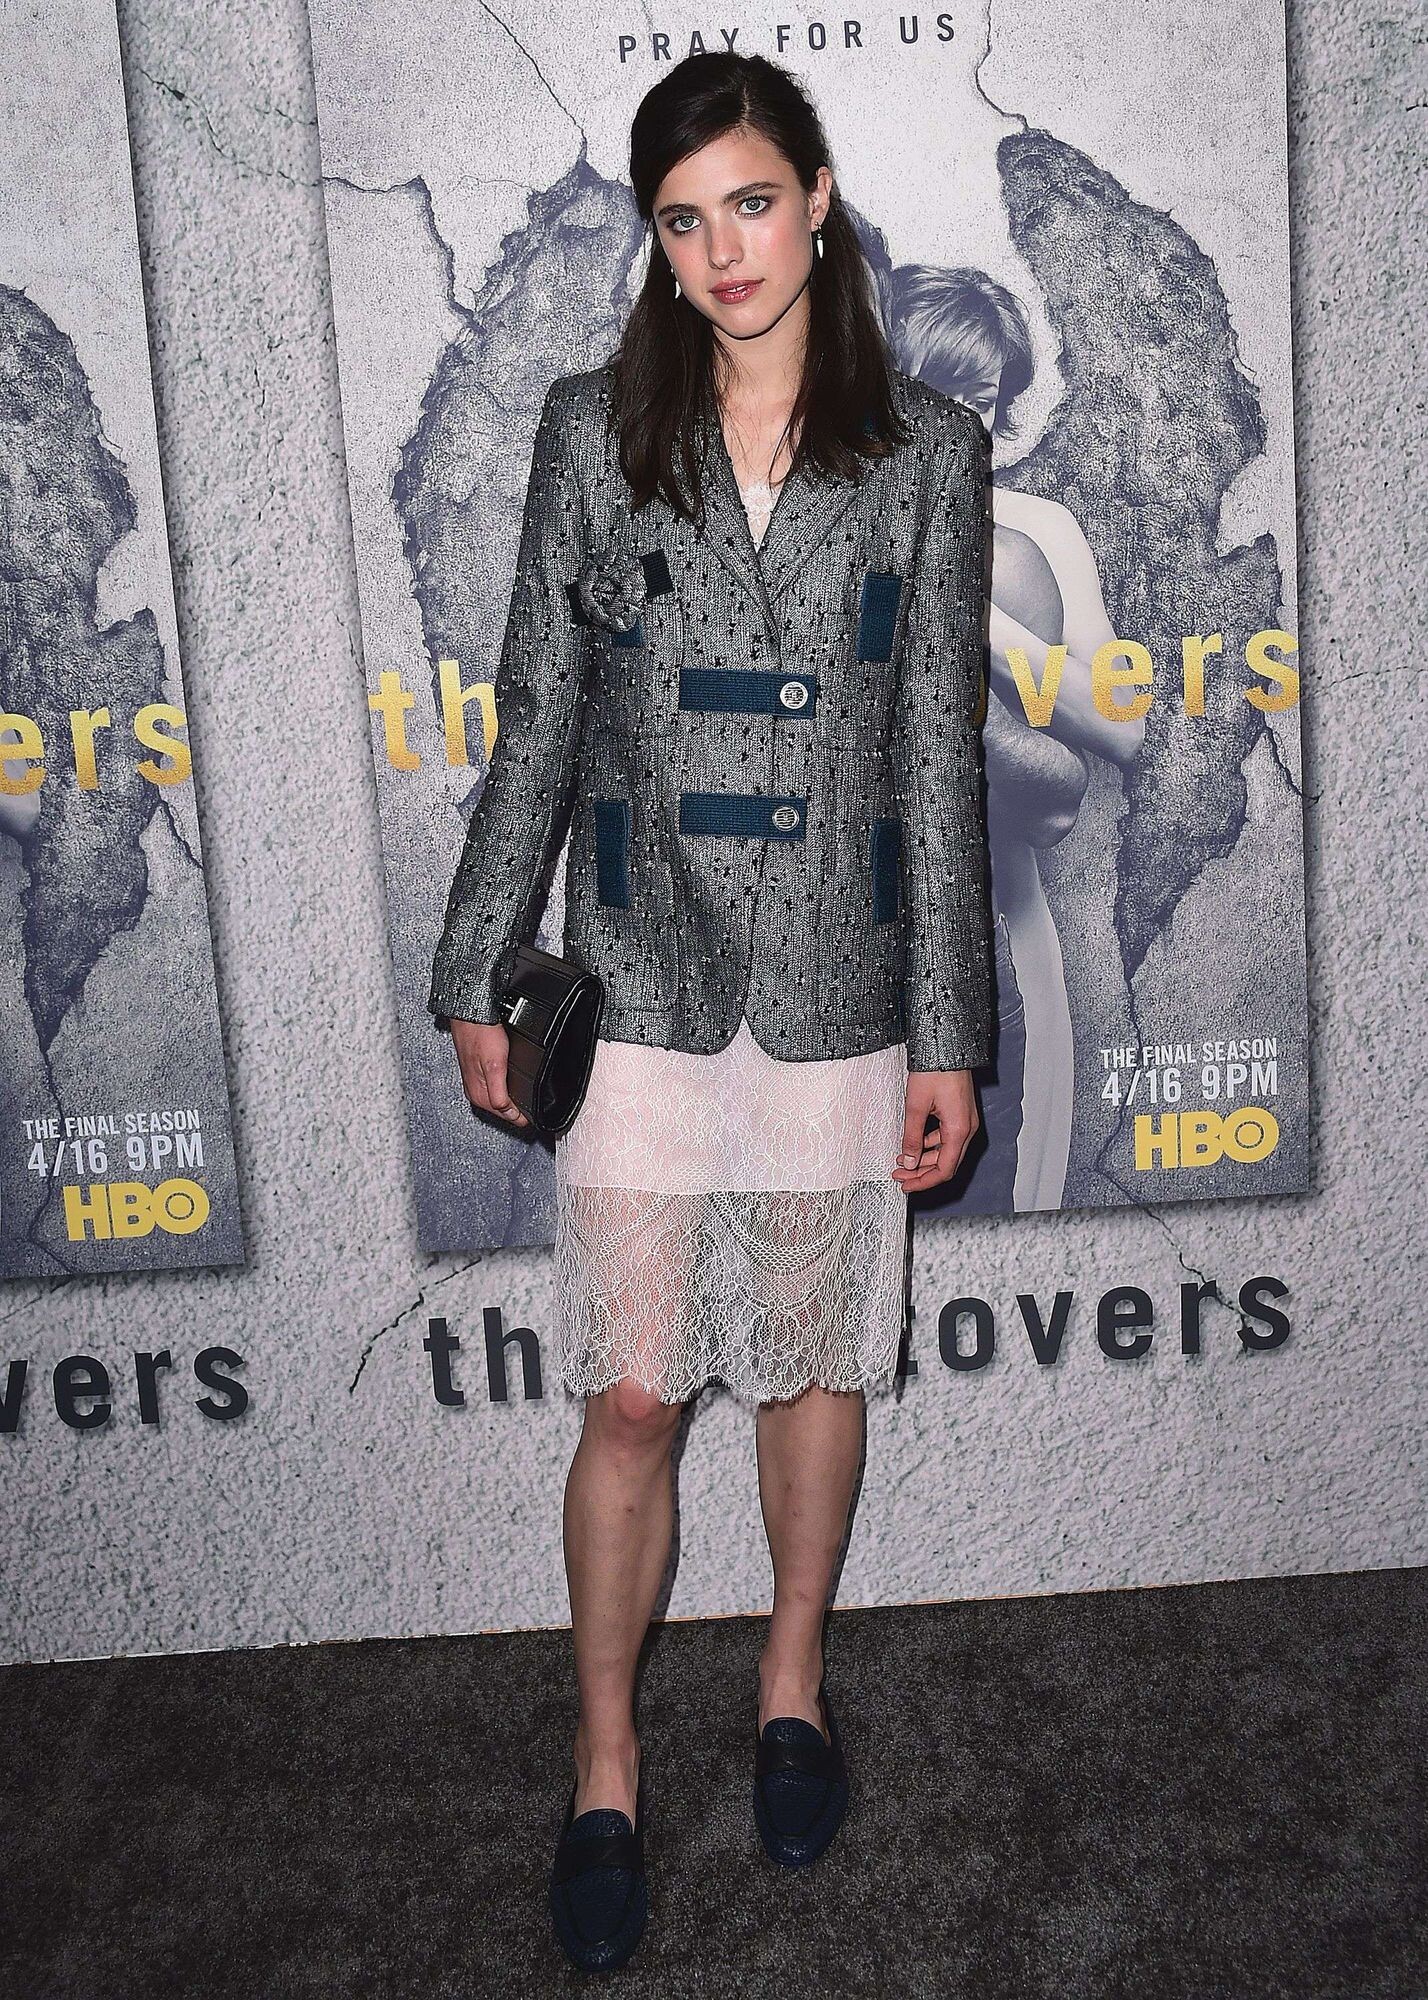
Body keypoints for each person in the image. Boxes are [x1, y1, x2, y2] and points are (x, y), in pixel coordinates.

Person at [427, 50, 995, 1976]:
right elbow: (536, 719)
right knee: (635, 1391)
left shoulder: (926, 451)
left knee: (817, 1364)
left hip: (841, 983)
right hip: (647, 978)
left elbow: (934, 757)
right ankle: (604, 1764)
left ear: (817, 201)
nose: (725, 248)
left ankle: (791, 1685)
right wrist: (479, 965)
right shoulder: (595, 434)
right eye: (685, 219)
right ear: (659, 247)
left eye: (752, 201)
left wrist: (950, 1032)